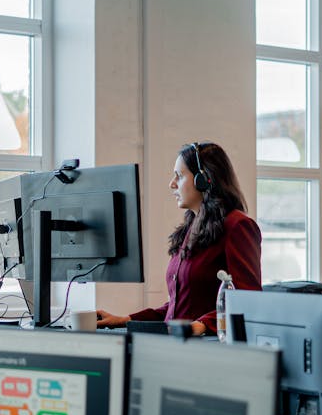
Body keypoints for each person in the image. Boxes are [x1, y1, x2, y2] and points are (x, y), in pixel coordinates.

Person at [97, 141, 262, 335]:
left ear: (204, 179)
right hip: (175, 342)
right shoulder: (191, 229)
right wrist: (126, 320)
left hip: (206, 349)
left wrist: (200, 325)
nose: (172, 184)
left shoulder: (237, 226)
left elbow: (248, 299)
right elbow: (178, 309)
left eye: (180, 176)